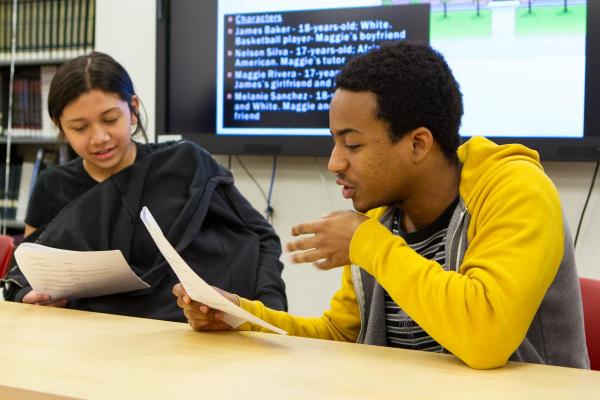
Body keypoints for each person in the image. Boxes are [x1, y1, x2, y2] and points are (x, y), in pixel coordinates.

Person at [173, 40, 590, 369]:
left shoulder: (516, 191)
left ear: (418, 144)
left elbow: (486, 337)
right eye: (334, 142)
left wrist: (366, 243)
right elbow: (342, 336)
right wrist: (240, 316)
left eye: (352, 144)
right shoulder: (381, 215)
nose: (335, 162)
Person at [2, 51, 287, 320]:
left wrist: (267, 307)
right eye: (80, 127)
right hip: (89, 342)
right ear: (60, 126)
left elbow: (261, 238)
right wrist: (33, 296)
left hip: (191, 331)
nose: (99, 137)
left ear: (133, 110)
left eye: (110, 119)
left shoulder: (186, 165)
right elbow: (28, 271)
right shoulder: (52, 185)